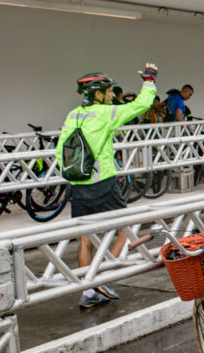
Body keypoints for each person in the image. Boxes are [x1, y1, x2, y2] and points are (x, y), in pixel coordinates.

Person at [57, 65, 158, 309]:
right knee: (126, 229)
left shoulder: (73, 115)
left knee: (86, 239)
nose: (112, 95)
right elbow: (141, 105)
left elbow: (61, 151)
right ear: (98, 94)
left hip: (79, 184)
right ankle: (105, 277)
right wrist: (149, 81)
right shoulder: (105, 113)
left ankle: (88, 291)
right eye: (109, 91)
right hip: (103, 183)